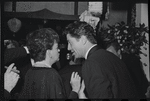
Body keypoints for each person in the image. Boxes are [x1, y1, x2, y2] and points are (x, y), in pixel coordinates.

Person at [63, 21, 138, 98]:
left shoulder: (91, 63)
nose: (69, 48)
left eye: (70, 43)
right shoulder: (111, 56)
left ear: (83, 39)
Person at [18, 28, 81, 99]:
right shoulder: (51, 74)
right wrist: (75, 90)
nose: (59, 50)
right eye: (56, 47)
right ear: (49, 52)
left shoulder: (29, 72)